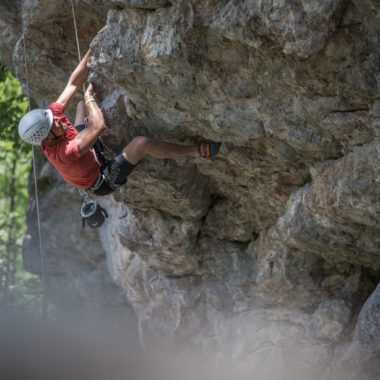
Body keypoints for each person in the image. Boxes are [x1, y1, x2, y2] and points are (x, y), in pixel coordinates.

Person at [18, 49, 220, 196]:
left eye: (55, 119)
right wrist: (90, 98)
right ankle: (194, 150)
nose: (60, 122)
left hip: (85, 149)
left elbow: (72, 83)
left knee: (78, 106)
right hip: (101, 179)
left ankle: (87, 125)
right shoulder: (63, 154)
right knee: (141, 144)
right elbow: (98, 127)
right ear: (48, 138)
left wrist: (92, 50)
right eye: (55, 126)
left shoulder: (49, 118)